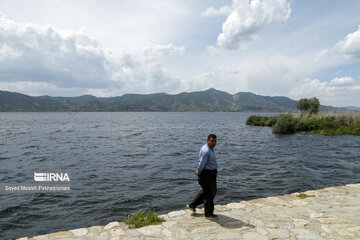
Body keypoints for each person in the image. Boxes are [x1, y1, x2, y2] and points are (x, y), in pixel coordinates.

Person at [187, 134, 218, 219]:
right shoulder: (206, 150)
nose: (214, 143)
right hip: (206, 174)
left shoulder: (210, 149)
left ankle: (192, 205)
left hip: (210, 174)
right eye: (212, 141)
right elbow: (201, 163)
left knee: (208, 191)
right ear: (207, 140)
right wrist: (199, 172)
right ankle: (208, 214)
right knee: (209, 194)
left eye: (215, 141)